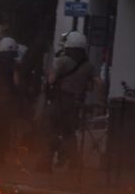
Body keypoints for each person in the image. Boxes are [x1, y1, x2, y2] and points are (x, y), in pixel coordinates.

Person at [36, 31, 98, 173]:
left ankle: (48, 161)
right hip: (75, 105)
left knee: (47, 128)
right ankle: (75, 164)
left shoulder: (62, 61)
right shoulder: (88, 66)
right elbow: (94, 84)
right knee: (69, 133)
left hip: (60, 101)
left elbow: (50, 80)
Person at [0, 37, 20, 163]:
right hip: (7, 101)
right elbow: (16, 82)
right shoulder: (14, 65)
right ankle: (1, 155)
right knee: (4, 128)